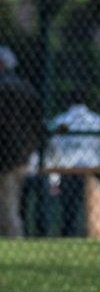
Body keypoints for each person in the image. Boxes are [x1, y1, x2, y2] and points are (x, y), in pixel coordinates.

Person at [47, 87, 100, 236]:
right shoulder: (96, 120)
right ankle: (92, 233)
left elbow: (54, 145)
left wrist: (54, 176)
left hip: (69, 169)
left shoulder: (63, 121)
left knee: (69, 209)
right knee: (93, 209)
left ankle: (68, 234)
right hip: (92, 169)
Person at [0, 46, 43, 237]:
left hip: (5, 154)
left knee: (8, 207)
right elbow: (38, 124)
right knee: (12, 203)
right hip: (23, 154)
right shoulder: (27, 88)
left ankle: (15, 240)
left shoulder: (3, 88)